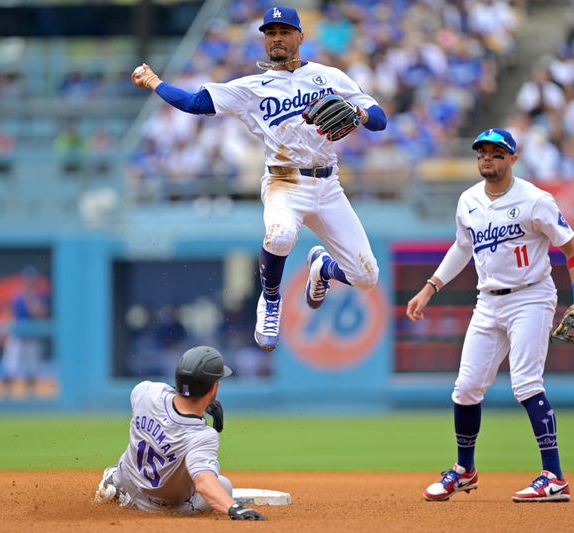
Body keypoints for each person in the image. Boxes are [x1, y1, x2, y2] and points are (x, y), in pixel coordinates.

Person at [130, 6, 387, 351]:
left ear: (300, 36)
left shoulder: (330, 77)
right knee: (280, 234)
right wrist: (155, 82)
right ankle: (270, 300)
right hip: (284, 182)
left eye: (283, 31)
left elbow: (380, 119)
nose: (276, 38)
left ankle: (322, 269)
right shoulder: (252, 87)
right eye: (270, 33)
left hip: (328, 186)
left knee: (367, 278)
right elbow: (194, 103)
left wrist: (359, 113)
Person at [406, 128, 574, 503]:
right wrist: (429, 288)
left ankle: (554, 477)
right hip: (488, 301)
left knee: (526, 384)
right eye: (482, 153)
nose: (487, 159)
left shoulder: (535, 200)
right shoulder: (468, 200)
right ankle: (464, 471)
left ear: (513, 159)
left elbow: (573, 250)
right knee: (465, 389)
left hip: (531, 298)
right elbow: (462, 247)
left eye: (496, 153)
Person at [94, 346, 265, 521]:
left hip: (127, 477)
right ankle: (134, 502)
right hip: (155, 507)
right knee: (224, 485)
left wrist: (201, 400)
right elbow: (204, 482)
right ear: (213, 389)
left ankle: (115, 483)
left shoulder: (145, 392)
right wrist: (234, 508)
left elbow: (172, 394)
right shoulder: (202, 436)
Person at [0, 265, 49, 397]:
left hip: (32, 337)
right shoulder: (16, 296)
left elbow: (40, 314)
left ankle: (30, 396)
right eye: (27, 280)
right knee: (10, 366)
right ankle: (6, 395)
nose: (29, 283)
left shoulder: (40, 296)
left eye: (31, 280)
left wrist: (31, 298)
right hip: (17, 336)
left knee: (32, 369)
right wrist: (5, 331)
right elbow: (9, 314)